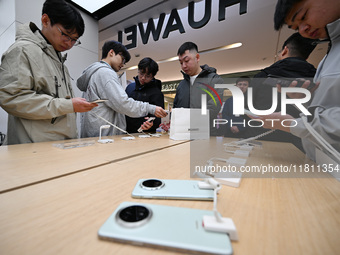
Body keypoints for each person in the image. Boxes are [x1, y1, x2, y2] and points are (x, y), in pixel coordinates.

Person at [0, 0, 97, 145]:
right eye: (66, 35)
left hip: (61, 146)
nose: (69, 44)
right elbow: (12, 98)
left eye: (74, 40)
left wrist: (72, 105)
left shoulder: (60, 63)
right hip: (34, 149)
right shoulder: (22, 50)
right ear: (45, 20)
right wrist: (68, 105)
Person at [258, 0, 340, 162]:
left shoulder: (265, 75)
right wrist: (309, 102)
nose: (303, 29)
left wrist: (292, 124)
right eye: (296, 28)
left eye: (303, 16)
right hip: (318, 160)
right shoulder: (325, 59)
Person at [77, 40, 167, 138]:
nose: (123, 64)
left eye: (148, 75)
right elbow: (123, 103)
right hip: (103, 136)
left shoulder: (95, 73)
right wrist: (151, 108)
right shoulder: (106, 74)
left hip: (96, 132)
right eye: (122, 59)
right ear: (111, 53)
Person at [248, 32, 317, 151]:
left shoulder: (263, 76)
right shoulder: (317, 79)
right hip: (305, 141)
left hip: (262, 138)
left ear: (285, 50)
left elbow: (249, 108)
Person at [173, 42, 224, 135]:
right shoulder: (181, 85)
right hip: (182, 134)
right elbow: (176, 109)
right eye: (181, 62)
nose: (183, 66)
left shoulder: (214, 79)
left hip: (205, 134)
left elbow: (213, 108)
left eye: (187, 60)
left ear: (197, 57)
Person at [125, 57, 165, 133]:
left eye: (148, 76)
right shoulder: (129, 87)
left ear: (153, 76)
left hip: (146, 134)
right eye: (141, 73)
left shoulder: (157, 93)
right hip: (126, 132)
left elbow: (160, 117)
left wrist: (152, 123)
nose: (143, 78)